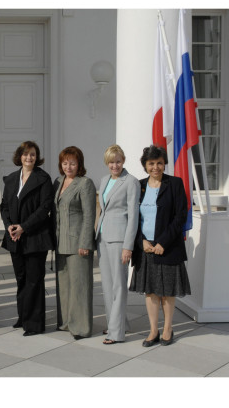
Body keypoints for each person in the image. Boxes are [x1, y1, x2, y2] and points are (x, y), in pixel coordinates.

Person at [129, 145, 191, 347]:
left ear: (164, 164)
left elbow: (180, 216)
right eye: (151, 163)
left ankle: (167, 329)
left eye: (159, 163)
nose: (155, 167)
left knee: (167, 291)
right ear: (145, 165)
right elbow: (133, 219)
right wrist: (142, 241)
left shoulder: (174, 183)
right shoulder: (139, 186)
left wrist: (163, 242)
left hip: (168, 246)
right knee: (151, 291)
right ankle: (153, 330)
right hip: (145, 247)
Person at [0, 141, 54, 336]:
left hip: (35, 237)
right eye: (25, 154)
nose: (29, 158)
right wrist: (10, 226)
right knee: (21, 279)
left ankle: (34, 323)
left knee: (34, 280)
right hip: (15, 237)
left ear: (36, 157)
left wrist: (23, 227)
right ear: (19, 156)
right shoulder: (12, 179)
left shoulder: (43, 178)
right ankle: (23, 316)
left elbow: (44, 208)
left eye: (32, 154)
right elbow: (4, 205)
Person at [95, 144, 139, 344]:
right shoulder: (104, 180)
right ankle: (119, 323)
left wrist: (128, 246)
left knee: (119, 286)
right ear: (107, 162)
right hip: (102, 238)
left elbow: (133, 216)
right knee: (107, 285)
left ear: (123, 161)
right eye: (112, 162)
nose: (115, 165)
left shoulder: (131, 182)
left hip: (120, 239)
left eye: (118, 161)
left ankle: (116, 332)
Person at [53, 146, 96, 340]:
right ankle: (66, 322)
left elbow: (89, 215)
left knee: (80, 285)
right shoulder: (58, 181)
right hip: (60, 241)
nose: (68, 166)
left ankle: (81, 327)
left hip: (79, 242)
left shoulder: (85, 184)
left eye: (72, 163)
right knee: (64, 285)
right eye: (65, 163)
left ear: (79, 164)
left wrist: (86, 242)